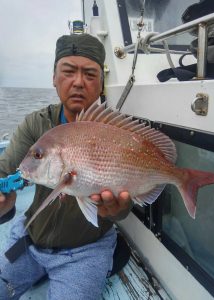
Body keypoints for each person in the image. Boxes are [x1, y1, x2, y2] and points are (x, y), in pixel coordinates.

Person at [0, 33, 132, 300]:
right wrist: (4, 205)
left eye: (90, 74)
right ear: (53, 77)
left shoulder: (117, 131)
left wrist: (119, 210)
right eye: (68, 71)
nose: (79, 82)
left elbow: (127, 201)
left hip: (86, 249)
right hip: (30, 239)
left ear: (102, 82)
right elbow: (6, 173)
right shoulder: (35, 124)